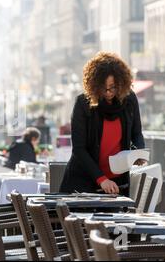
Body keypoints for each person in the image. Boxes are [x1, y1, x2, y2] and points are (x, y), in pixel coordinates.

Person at [59, 52, 147, 196]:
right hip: (83, 182)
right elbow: (79, 149)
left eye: (112, 87)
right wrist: (102, 179)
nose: (108, 92)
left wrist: (139, 152)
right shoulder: (83, 103)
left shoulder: (130, 100)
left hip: (117, 184)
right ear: (94, 85)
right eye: (103, 88)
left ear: (121, 83)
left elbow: (136, 133)